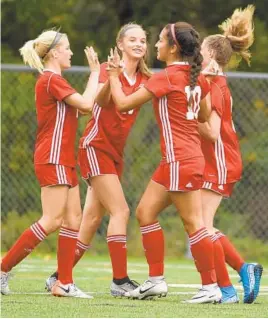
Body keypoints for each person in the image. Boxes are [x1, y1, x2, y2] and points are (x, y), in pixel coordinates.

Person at [107, 22, 223, 303]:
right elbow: (204, 115)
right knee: (145, 212)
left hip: (180, 160)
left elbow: (122, 104)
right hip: (180, 159)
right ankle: (156, 281)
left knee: (194, 223)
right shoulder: (197, 78)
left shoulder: (167, 77)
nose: (155, 45)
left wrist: (112, 75)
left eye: (159, 41)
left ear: (173, 48)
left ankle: (211, 287)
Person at [45, 23, 152, 297]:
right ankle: (120, 280)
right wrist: (113, 77)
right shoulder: (107, 69)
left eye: (142, 40)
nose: (139, 44)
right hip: (95, 147)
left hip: (115, 153)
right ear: (120, 44)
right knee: (122, 212)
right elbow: (98, 104)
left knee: (91, 220)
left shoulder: (145, 79)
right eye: (132, 39)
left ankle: (58, 277)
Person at [0, 29, 100, 299]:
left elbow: (82, 106)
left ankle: (64, 283)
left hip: (64, 159)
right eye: (67, 48)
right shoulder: (50, 79)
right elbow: (87, 104)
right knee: (52, 219)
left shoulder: (58, 81)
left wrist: (108, 75)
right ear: (54, 53)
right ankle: (2, 269)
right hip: (52, 157)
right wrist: (95, 74)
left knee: (73, 219)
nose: (70, 52)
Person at [199, 4, 263, 304]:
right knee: (200, 224)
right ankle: (242, 269)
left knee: (201, 226)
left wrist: (185, 118)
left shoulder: (214, 85)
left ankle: (225, 288)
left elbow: (211, 132)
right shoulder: (215, 82)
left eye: (201, 51)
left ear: (211, 55)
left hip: (221, 162)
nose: (198, 55)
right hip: (217, 160)